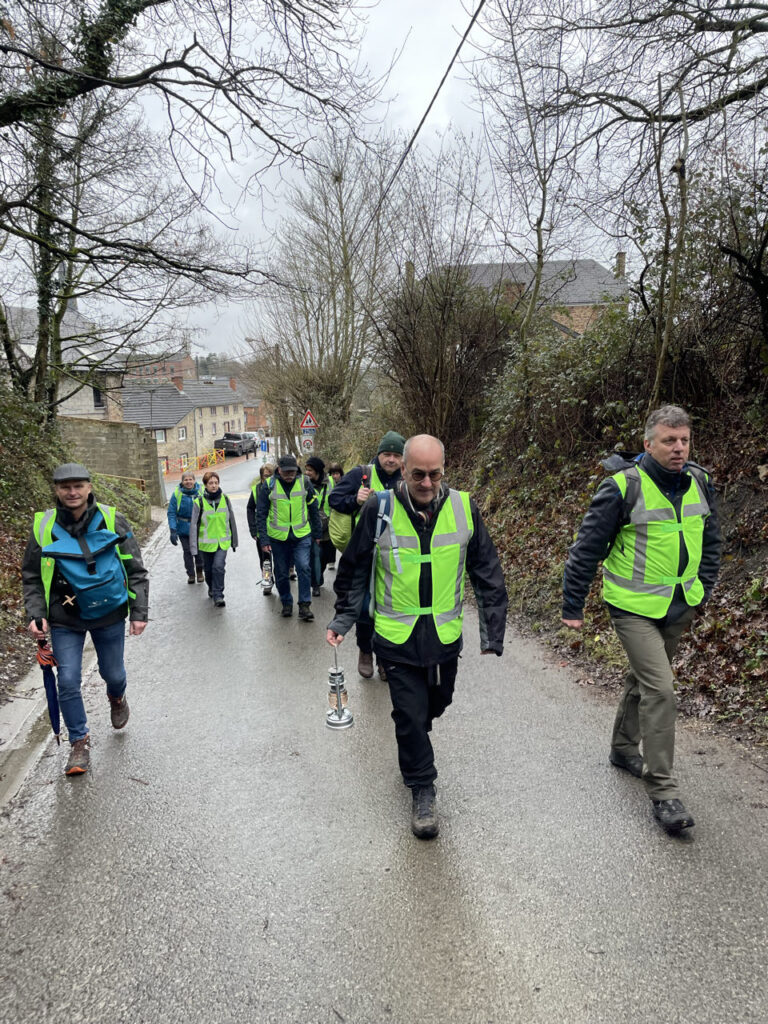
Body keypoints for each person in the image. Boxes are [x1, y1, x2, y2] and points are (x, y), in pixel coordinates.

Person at [327, 434, 508, 839]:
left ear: (444, 471)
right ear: (404, 472)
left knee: (434, 706)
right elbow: (354, 568)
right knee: (409, 715)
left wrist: (493, 630)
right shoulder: (379, 509)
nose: (427, 483)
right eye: (418, 475)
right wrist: (342, 620)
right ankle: (422, 788)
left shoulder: (463, 508)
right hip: (395, 638)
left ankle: (415, 742)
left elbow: (486, 569)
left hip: (443, 638)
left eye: (435, 474)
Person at [562, 405, 722, 834]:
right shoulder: (622, 487)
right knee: (661, 688)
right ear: (648, 444)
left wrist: (703, 588)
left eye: (684, 440)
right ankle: (664, 792)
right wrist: (573, 605)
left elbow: (712, 540)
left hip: (678, 605)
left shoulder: (700, 482)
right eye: (669, 440)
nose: (679, 448)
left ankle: (621, 748)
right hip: (631, 607)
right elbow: (586, 549)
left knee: (644, 679)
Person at [22, 463, 149, 776]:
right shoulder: (43, 526)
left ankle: (116, 697)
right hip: (64, 616)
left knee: (113, 674)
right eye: (65, 487)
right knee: (67, 680)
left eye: (78, 486)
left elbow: (135, 568)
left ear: (89, 487)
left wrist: (139, 612)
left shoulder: (111, 518)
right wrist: (36, 613)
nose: (72, 492)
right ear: (56, 490)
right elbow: (32, 575)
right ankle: (79, 741)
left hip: (109, 612)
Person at [328, 431, 405, 680]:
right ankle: (365, 651)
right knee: (364, 607)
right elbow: (334, 499)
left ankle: (384, 658)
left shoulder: (408, 478)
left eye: (396, 455)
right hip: (364, 553)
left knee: (388, 608)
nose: (391, 459)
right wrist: (355, 500)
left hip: (395, 556)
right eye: (387, 454)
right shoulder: (361, 474)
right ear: (378, 454)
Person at [255, 453, 322, 621]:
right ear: (279, 470)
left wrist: (317, 533)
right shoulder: (269, 485)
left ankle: (304, 605)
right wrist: (264, 539)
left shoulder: (305, 482)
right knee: (281, 572)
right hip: (278, 537)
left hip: (301, 535)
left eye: (292, 472)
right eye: (286, 472)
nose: (289, 475)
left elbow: (313, 508)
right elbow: (261, 514)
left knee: (303, 567)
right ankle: (286, 602)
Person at [189, 470, 238, 608]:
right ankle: (211, 587)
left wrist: (234, 541)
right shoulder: (199, 502)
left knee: (218, 567)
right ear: (205, 485)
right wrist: (193, 548)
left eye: (216, 482)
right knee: (209, 570)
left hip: (222, 542)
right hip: (206, 544)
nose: (214, 485)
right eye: (211, 483)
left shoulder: (225, 499)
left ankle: (218, 595)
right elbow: (193, 525)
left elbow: (231, 520)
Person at [304, 455, 335, 596]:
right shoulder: (304, 484)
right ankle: (315, 584)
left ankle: (318, 575)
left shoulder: (331, 482)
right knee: (316, 555)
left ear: (317, 471)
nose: (307, 473)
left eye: (310, 470)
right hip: (312, 526)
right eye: (306, 470)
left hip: (329, 525)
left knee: (326, 556)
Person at [167, 471, 204, 584]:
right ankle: (191, 574)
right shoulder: (177, 494)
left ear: (194, 480)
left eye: (190, 479)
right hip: (183, 528)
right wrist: (173, 530)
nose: (188, 482)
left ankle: (199, 571)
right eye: (186, 480)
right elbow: (171, 513)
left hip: (198, 527)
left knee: (199, 551)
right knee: (187, 551)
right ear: (182, 482)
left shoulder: (201, 492)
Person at [247, 463, 275, 595]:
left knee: (281, 560)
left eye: (271, 476)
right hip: (261, 532)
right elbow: (250, 509)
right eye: (265, 476)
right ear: (261, 477)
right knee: (265, 561)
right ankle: (267, 581)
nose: (268, 479)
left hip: (279, 531)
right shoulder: (256, 490)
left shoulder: (279, 488)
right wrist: (253, 529)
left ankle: (284, 577)